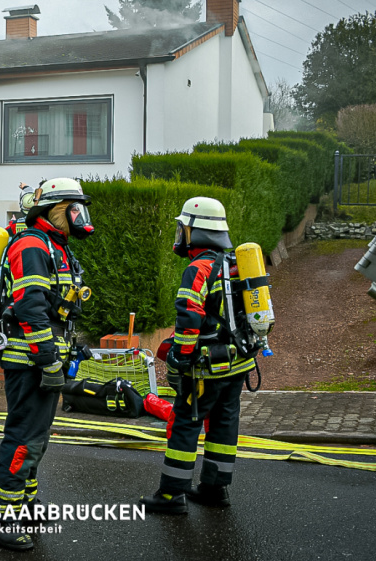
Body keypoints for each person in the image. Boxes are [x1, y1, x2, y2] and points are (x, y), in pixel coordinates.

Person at [0, 178, 95, 551]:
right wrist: (49, 359)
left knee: (37, 440)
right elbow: (32, 306)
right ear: (55, 210)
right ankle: (1, 518)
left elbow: (57, 308)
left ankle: (25, 506)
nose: (81, 215)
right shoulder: (32, 244)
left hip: (45, 360)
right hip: (30, 361)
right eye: (75, 208)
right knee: (23, 439)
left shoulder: (56, 246)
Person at [139, 196, 256, 515]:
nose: (181, 234)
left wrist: (179, 360)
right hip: (239, 363)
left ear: (197, 231)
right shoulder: (234, 263)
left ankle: (171, 495)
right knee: (223, 423)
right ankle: (214, 489)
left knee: (186, 425)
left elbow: (188, 318)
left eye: (183, 228)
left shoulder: (199, 269)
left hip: (206, 368)